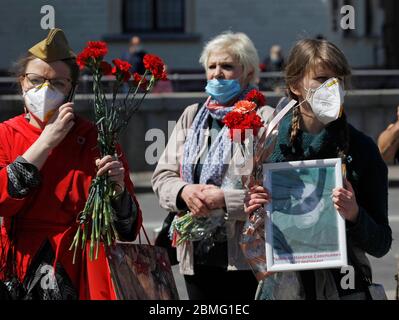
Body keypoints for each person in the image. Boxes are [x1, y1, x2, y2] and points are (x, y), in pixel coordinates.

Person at [0, 29, 142, 300]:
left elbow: (128, 228)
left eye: (57, 84)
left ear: (72, 89)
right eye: (35, 80)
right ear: (22, 83)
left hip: (86, 268)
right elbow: (3, 201)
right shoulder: (6, 134)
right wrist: (45, 143)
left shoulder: (97, 137)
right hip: (22, 267)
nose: (44, 90)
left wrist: (119, 190)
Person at [247, 38, 392, 299]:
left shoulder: (362, 149)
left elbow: (381, 243)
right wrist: (257, 213)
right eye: (322, 79)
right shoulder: (268, 146)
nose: (333, 88)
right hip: (286, 286)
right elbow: (258, 237)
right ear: (295, 86)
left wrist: (355, 215)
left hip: (345, 287)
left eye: (339, 80)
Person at [151, 31, 273, 300]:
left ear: (248, 72)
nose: (218, 73)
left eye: (227, 66)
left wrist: (225, 199)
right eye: (212, 66)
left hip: (246, 258)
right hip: (196, 257)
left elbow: (273, 190)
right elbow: (162, 176)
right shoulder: (192, 116)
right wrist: (184, 193)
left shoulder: (264, 118)